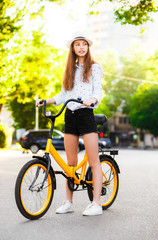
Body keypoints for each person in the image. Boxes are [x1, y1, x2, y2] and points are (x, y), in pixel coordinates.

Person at [37, 32, 103, 216]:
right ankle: (68, 202)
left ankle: (96, 204)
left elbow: (98, 89)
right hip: (70, 115)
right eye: (77, 44)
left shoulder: (95, 68)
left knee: (94, 161)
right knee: (71, 163)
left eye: (84, 44)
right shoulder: (69, 70)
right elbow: (63, 96)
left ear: (88, 48)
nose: (81, 47)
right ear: (72, 48)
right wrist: (46, 101)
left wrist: (93, 99)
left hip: (86, 115)